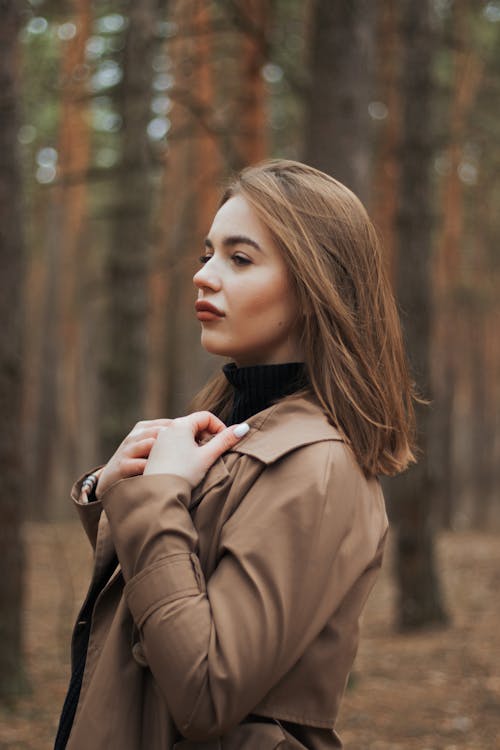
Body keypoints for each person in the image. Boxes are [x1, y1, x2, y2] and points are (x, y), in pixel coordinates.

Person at [54, 159, 416, 750]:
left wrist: (154, 501)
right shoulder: (237, 427)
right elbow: (167, 595)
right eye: (207, 254)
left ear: (316, 286)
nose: (203, 276)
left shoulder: (314, 465)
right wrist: (115, 490)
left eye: (239, 259)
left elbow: (205, 692)